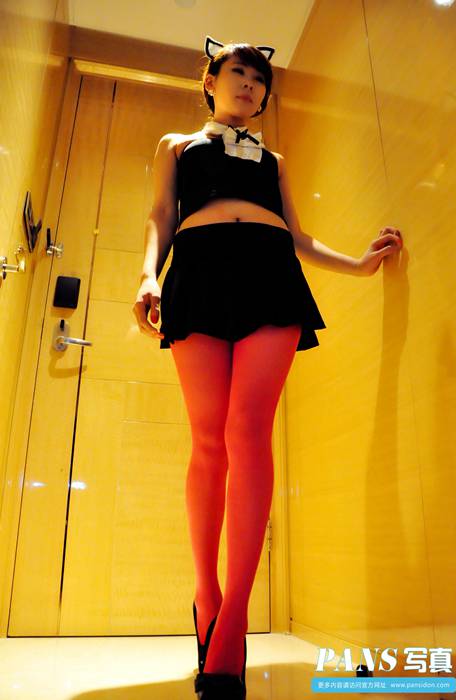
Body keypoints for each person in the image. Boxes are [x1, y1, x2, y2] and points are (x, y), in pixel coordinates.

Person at [132, 35, 403, 700]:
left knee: (248, 430)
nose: (250, 84)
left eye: (259, 79)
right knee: (207, 439)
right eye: (238, 72)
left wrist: (359, 265)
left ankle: (235, 617)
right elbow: (161, 215)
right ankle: (206, 593)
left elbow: (299, 236)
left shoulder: (274, 160)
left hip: (270, 274)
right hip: (197, 272)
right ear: (210, 80)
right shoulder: (175, 145)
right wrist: (147, 277)